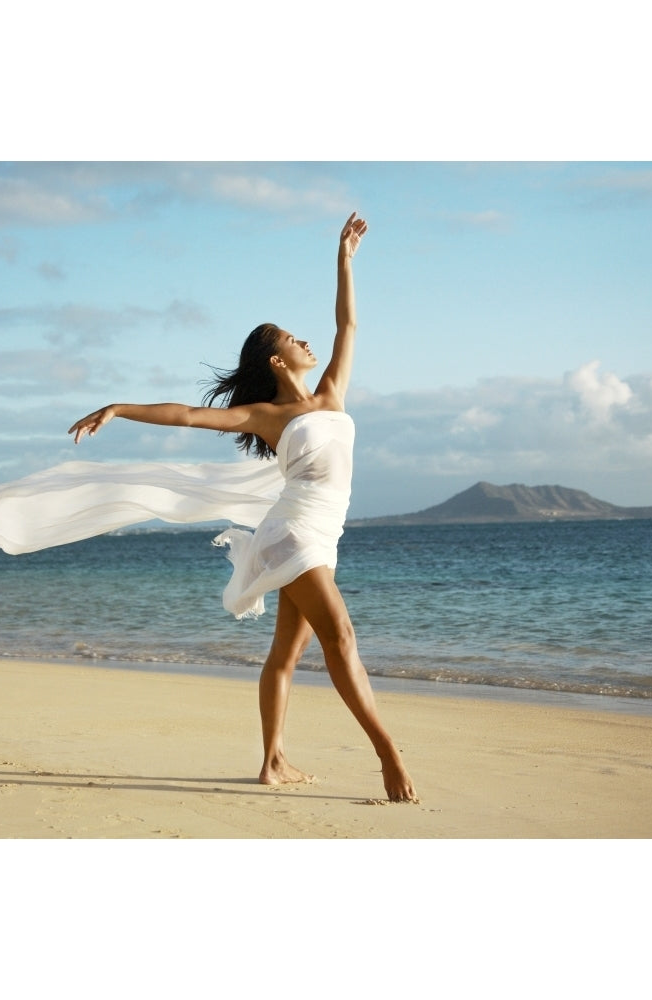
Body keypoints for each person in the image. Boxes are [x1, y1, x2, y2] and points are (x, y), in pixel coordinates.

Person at [68, 213, 418, 804]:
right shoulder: (266, 416)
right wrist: (119, 407)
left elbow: (348, 322)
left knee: (286, 654)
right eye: (290, 338)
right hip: (294, 533)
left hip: (320, 538)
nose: (304, 341)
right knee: (342, 637)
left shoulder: (331, 392)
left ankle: (272, 762)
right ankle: (389, 756)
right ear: (278, 362)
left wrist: (345, 259)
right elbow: (186, 414)